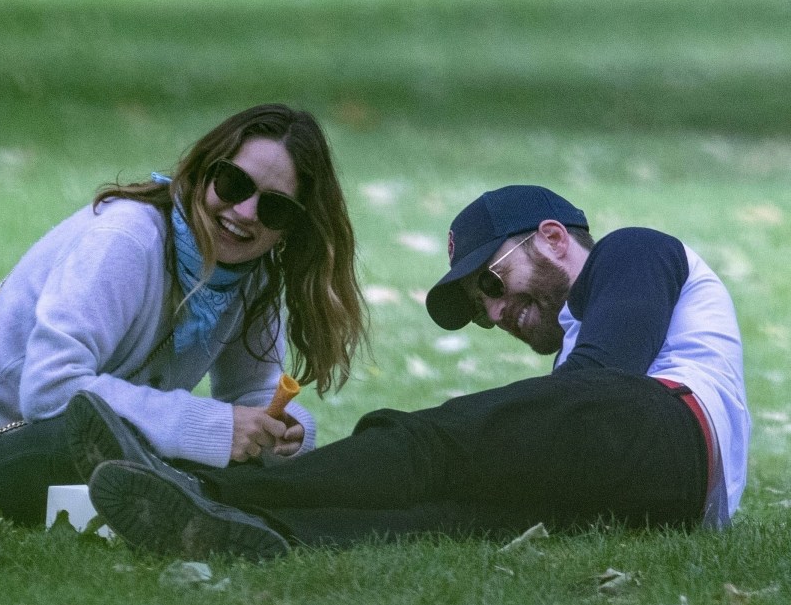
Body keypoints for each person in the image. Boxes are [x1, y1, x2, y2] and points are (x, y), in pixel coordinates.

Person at [77, 184, 750, 561]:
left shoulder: (634, 251)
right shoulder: (577, 351)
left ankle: (197, 484)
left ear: (551, 237)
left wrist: (472, 429)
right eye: (482, 308)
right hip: (666, 496)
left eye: (493, 279)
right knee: (448, 517)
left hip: (672, 432)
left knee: (430, 444)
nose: (497, 310)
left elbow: (604, 386)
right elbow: (588, 399)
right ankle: (247, 530)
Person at [0, 103, 367, 525]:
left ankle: (223, 516)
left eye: (275, 209)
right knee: (144, 452)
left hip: (69, 449)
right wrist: (214, 428)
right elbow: (50, 394)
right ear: (203, 172)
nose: (244, 213)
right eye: (234, 183)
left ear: (291, 229)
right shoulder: (127, 240)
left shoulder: (251, 274)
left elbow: (251, 393)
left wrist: (287, 431)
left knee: (186, 461)